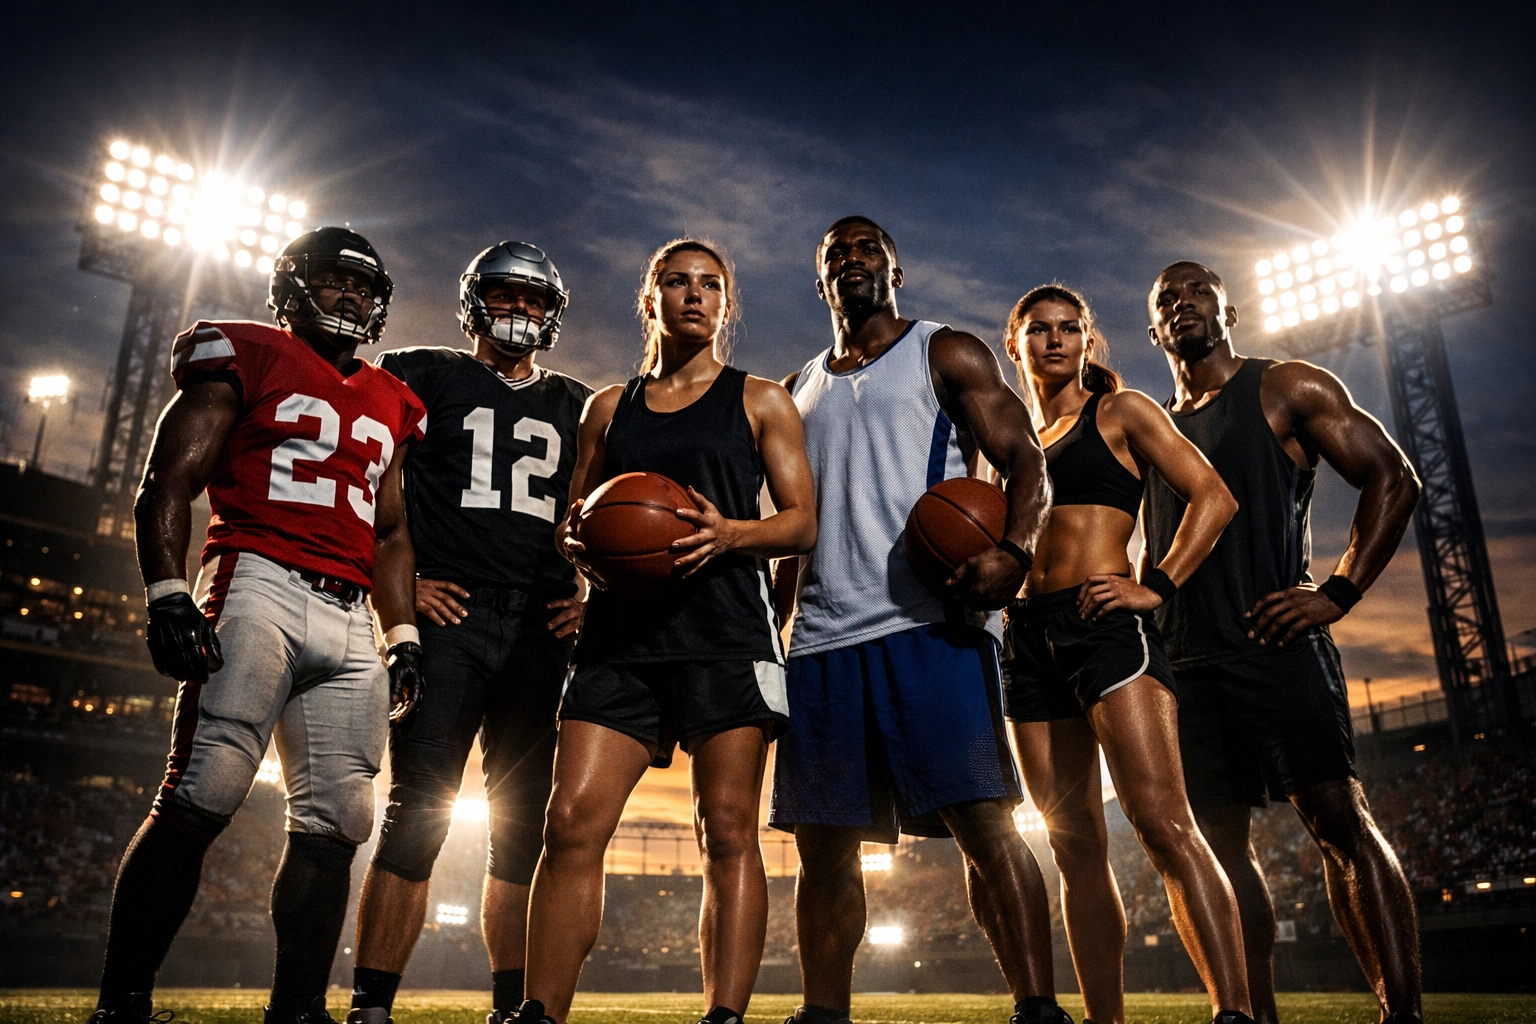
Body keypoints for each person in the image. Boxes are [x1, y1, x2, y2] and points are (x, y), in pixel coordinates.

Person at [89, 228, 426, 1024]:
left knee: (341, 819)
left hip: (352, 612)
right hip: (257, 579)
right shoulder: (246, 351)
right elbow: (167, 479)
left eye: (365, 287)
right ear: (291, 285)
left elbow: (391, 534)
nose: (352, 296)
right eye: (335, 279)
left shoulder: (393, 398)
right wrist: (168, 592)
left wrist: (404, 635)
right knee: (205, 787)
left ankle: (298, 1011)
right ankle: (123, 1002)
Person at [511, 238, 817, 1024]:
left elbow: (801, 524)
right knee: (570, 823)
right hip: (620, 641)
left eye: (710, 285)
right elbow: (575, 520)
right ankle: (540, 1013)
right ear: (651, 300)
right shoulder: (608, 408)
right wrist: (576, 545)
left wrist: (731, 534)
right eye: (677, 282)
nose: (694, 295)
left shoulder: (761, 399)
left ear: (725, 304)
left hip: (728, 634)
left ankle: (724, 1016)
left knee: (727, 830)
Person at [768, 216, 1062, 1024]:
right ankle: (824, 1014)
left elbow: (1027, 458)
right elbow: (795, 524)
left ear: (895, 269)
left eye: (868, 248)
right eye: (836, 253)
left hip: (932, 627)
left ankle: (1038, 1007)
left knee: (984, 824)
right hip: (824, 640)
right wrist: (773, 631)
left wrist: (1016, 551)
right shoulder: (796, 389)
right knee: (822, 845)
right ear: (820, 282)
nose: (852, 259)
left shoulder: (945, 351)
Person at [1144, 261, 1423, 1024]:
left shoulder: (1284, 386)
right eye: (1167, 298)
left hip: (1276, 645)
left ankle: (1402, 1014)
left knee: (1340, 826)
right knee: (1215, 854)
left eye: (1198, 291)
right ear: (1153, 329)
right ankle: (1251, 1016)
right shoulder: (1151, 425)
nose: (1183, 303)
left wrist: (1337, 592)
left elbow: (1393, 477)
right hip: (1184, 661)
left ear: (1228, 311)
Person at [348, 243, 593, 1024]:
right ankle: (371, 1006)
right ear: (473, 301)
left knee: (522, 830)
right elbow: (369, 489)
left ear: (552, 312)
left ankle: (511, 1008)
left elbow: (608, 517)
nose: (519, 308)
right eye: (505, 294)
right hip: (449, 617)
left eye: (533, 298)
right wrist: (402, 586)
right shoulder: (420, 372)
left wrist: (590, 592)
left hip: (542, 625)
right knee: (417, 810)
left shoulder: (581, 404)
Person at [999, 284, 1252, 1024]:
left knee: (1163, 822)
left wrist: (1157, 585)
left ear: (1088, 341)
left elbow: (1214, 497)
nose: (1054, 340)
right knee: (1072, 844)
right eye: (1038, 329)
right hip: (1026, 637)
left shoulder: (1120, 412)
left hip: (1105, 627)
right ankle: (1105, 1020)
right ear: (1014, 343)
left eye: (1069, 328)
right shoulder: (1006, 443)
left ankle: (1235, 1012)